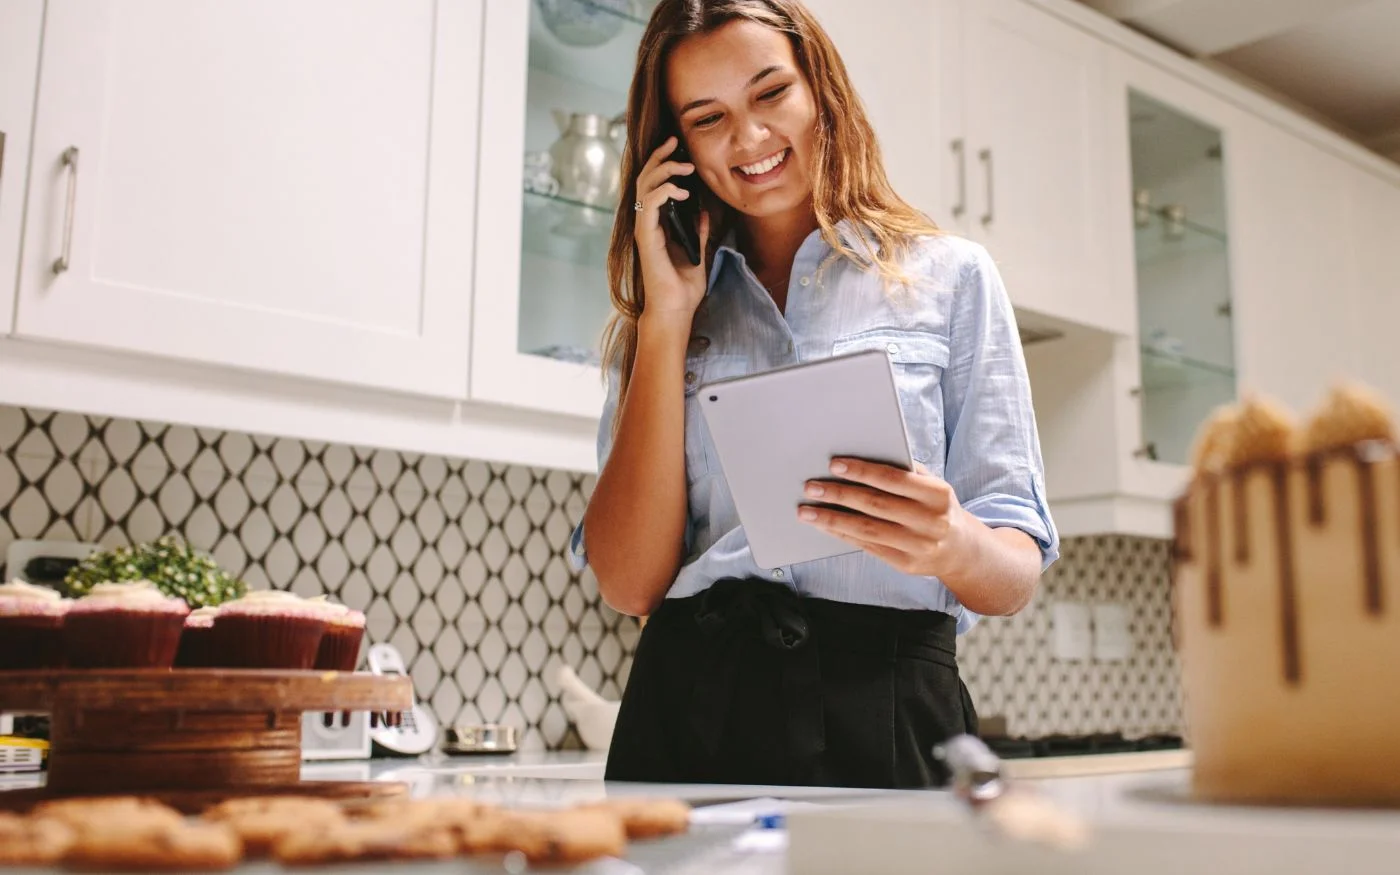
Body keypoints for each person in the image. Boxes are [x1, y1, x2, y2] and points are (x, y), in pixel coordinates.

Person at [568, 0, 1059, 788]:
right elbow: (629, 584)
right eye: (708, 117)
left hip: (890, 705)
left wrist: (951, 541)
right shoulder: (664, 314)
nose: (750, 138)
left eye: (770, 94)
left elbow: (1015, 572)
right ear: (675, 146)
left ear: (818, 90)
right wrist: (665, 319)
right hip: (693, 706)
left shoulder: (954, 279)